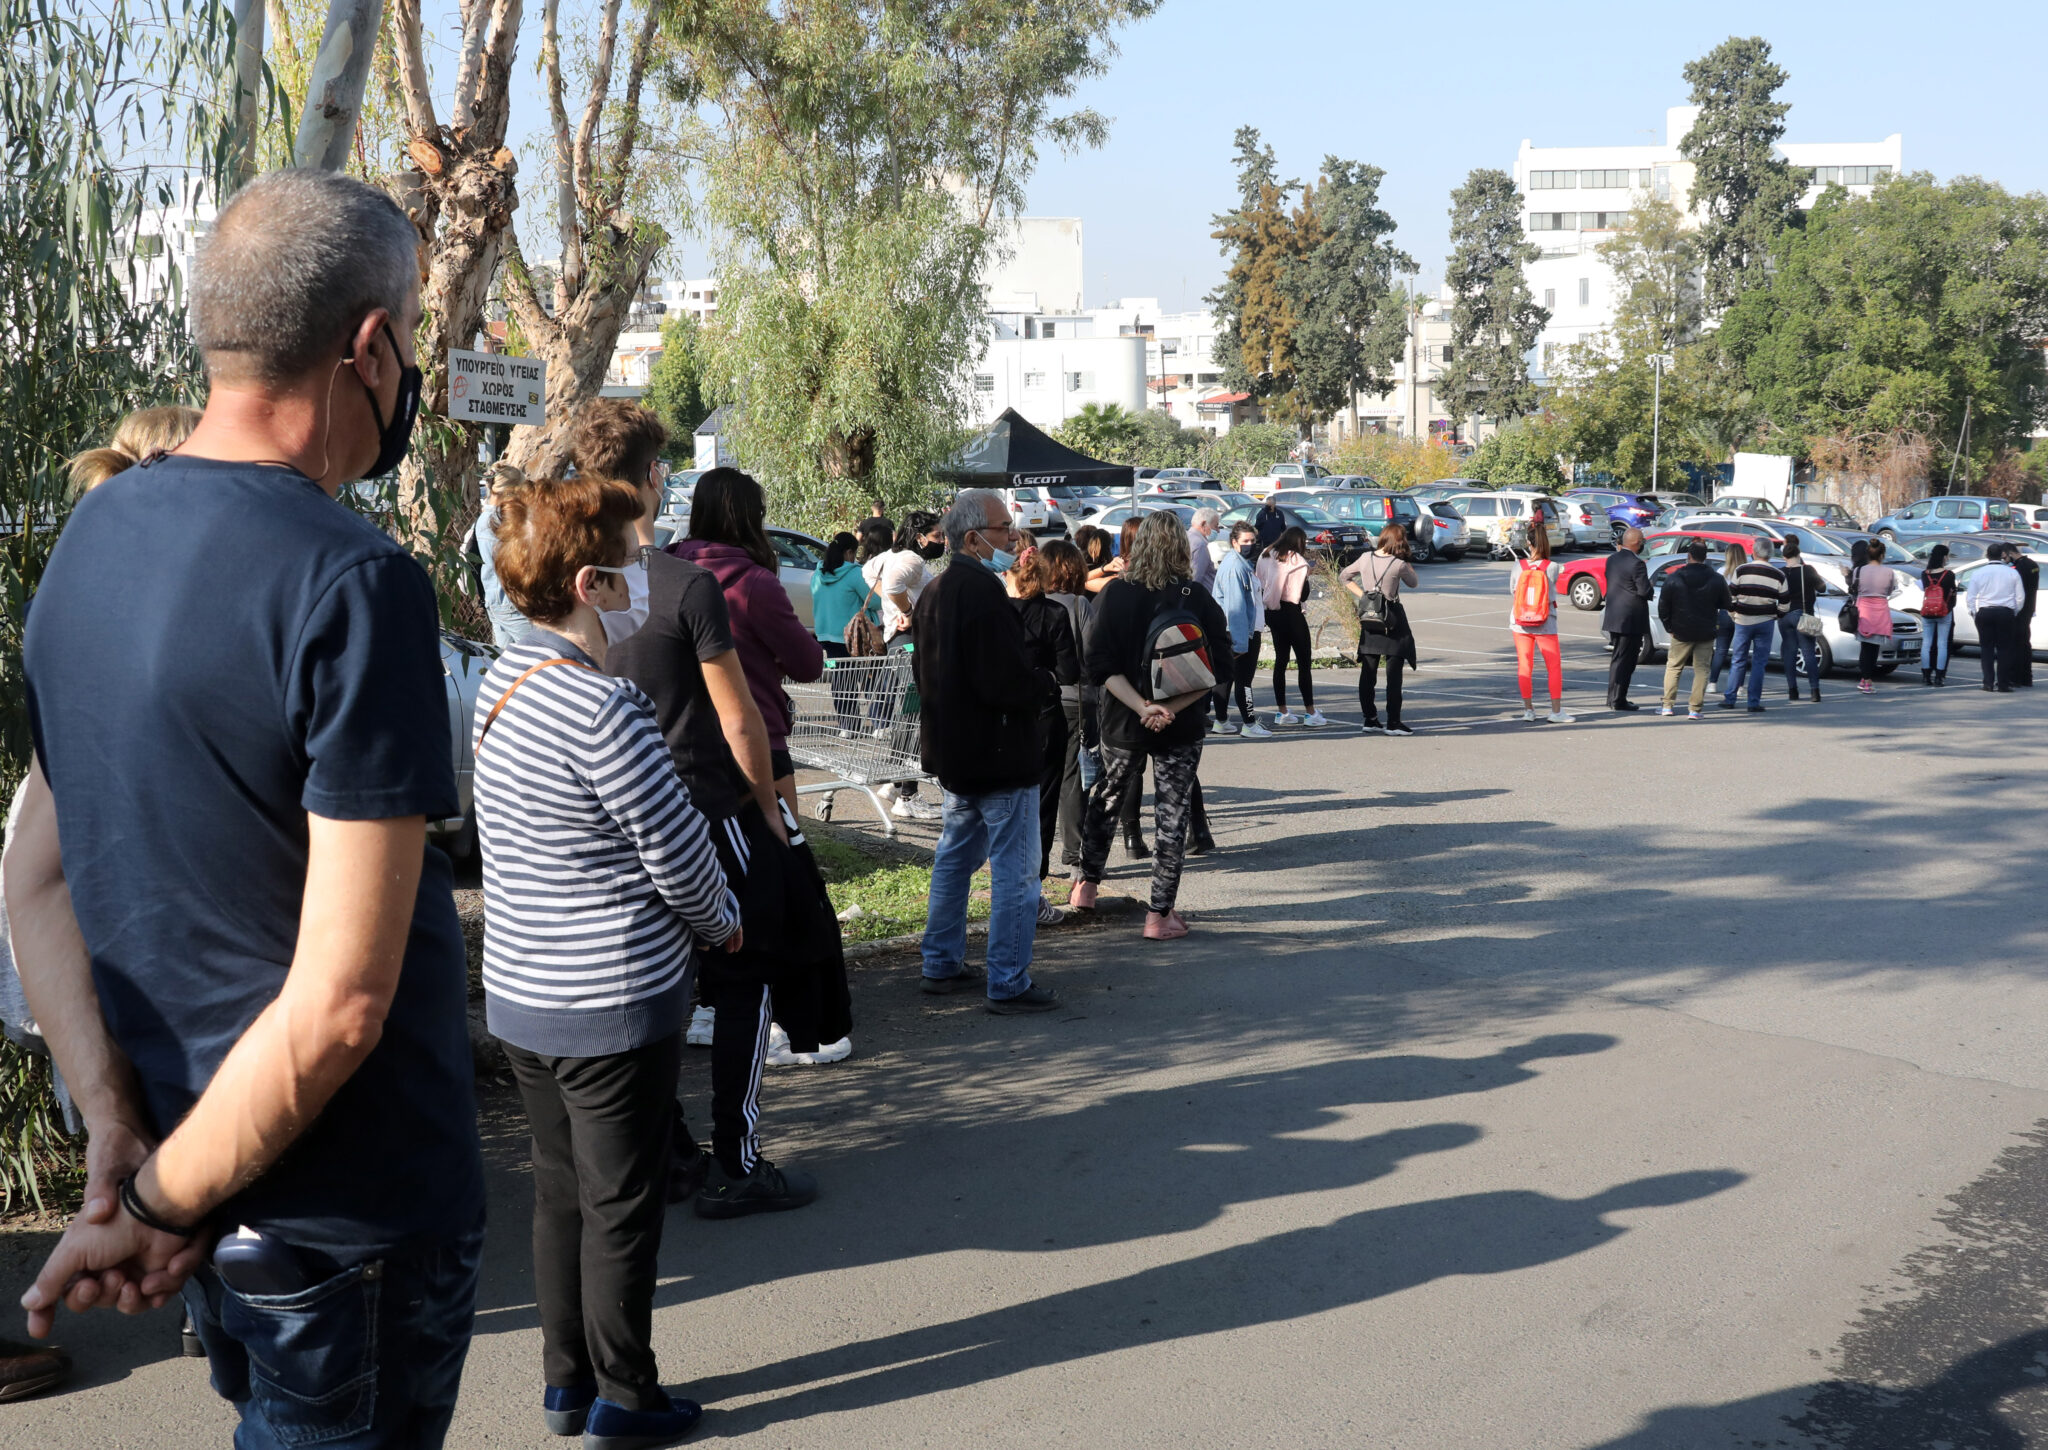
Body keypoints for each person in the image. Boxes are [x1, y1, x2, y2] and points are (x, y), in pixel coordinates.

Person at [15, 169, 484, 1441]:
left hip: (197, 1176)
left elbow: (33, 878)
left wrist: (120, 1133)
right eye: (413, 343)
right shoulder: (357, 582)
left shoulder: (90, 540)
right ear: (370, 347)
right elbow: (339, 1005)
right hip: (348, 1217)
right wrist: (153, 1202)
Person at [475, 473, 743, 1447]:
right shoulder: (604, 707)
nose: (646, 577)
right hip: (611, 995)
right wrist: (722, 922)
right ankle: (625, 1400)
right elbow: (678, 852)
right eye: (633, 562)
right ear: (589, 584)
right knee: (622, 1205)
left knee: (559, 1193)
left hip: (524, 988)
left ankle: (566, 1383)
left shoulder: (501, 686)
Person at [580, 404, 833, 1205]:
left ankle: (670, 1151)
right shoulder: (685, 585)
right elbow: (738, 718)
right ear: (654, 478)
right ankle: (738, 1161)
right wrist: (768, 810)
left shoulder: (569, 586)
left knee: (646, 989)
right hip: (705, 804)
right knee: (745, 977)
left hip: (611, 818)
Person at [913, 490, 1063, 1011]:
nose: (1014, 539)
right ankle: (1008, 980)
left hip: (956, 754)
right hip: (999, 756)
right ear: (974, 538)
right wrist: (1044, 682)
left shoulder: (935, 590)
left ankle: (941, 963)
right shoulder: (981, 592)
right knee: (1016, 874)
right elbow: (1004, 681)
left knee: (954, 861)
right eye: (1004, 530)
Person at [1071, 510, 1231, 941]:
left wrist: (1142, 706)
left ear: (1138, 546)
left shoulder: (1115, 594)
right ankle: (1159, 915)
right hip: (1180, 722)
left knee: (1108, 795)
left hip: (1124, 718)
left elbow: (1097, 662)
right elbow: (1219, 666)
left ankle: (1086, 886)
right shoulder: (1196, 597)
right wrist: (1168, 708)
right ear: (1180, 547)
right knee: (1172, 812)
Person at [673, 469, 826, 827]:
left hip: (683, 742)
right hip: (756, 741)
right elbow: (808, 665)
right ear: (751, 518)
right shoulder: (755, 582)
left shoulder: (667, 571)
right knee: (779, 853)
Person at [1004, 547, 1081, 913]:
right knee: (1044, 801)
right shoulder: (1055, 613)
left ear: (1012, 577)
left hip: (1003, 716)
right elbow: (1069, 672)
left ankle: (1007, 879)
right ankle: (1035, 882)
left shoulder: (997, 614)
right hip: (1045, 714)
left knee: (1004, 800)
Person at [865, 509, 943, 819]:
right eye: (937, 535)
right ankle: (908, 795)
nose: (942, 540)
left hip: (899, 641)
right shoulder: (912, 560)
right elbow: (893, 586)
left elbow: (868, 572)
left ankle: (896, 783)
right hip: (910, 641)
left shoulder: (890, 556)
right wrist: (907, 611)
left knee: (907, 714)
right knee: (914, 717)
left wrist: (893, 607)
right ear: (921, 537)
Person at [1040, 539, 1094, 880]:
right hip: (1076, 701)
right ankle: (1074, 855)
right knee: (1073, 779)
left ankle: (1036, 856)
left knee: (1042, 779)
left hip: (1039, 700)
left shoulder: (1032, 605)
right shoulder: (1078, 605)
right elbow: (1092, 653)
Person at [1342, 523, 1419, 735]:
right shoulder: (1398, 564)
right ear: (1400, 541)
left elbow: (1344, 576)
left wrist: (1365, 597)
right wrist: (1407, 561)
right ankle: (1393, 722)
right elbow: (1414, 583)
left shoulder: (1365, 558)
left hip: (1370, 617)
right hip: (1391, 619)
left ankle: (1370, 719)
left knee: (1368, 672)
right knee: (1394, 675)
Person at [809, 530, 879, 733]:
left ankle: (848, 726)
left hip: (826, 635)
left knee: (841, 681)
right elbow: (875, 602)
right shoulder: (854, 573)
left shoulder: (818, 574)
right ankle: (879, 723)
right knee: (869, 678)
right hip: (853, 636)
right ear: (849, 552)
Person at [1257, 526, 1324, 727]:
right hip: (1291, 612)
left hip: (1271, 611)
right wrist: (1307, 575)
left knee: (1281, 660)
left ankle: (1282, 711)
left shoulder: (1266, 553)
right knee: (1304, 662)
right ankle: (1310, 712)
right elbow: (1302, 594)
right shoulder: (1297, 561)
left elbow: (1259, 580)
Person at [1658, 538, 1731, 719]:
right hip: (1706, 628)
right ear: (1705, 557)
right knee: (1702, 669)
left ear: (1689, 555)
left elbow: (1663, 605)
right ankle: (1695, 709)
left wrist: (1668, 626)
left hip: (1680, 628)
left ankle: (1667, 705)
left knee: (1674, 667)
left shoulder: (1675, 577)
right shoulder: (1716, 578)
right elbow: (1726, 603)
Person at [1508, 519, 1571, 723]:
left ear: (1528, 542)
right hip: (1545, 622)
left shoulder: (1518, 566)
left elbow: (1513, 590)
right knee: (1553, 667)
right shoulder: (1552, 567)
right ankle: (1556, 711)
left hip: (1520, 621)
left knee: (1525, 665)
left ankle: (1528, 710)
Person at [1211, 520, 1266, 737]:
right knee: (1244, 680)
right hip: (1241, 633)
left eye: (1252, 541)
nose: (1250, 545)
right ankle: (1249, 724)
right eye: (1245, 541)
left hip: (1237, 631)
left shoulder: (1240, 563)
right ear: (1234, 542)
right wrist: (1241, 643)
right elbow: (1236, 608)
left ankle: (1221, 720)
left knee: (1226, 677)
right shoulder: (1236, 567)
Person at [1721, 536, 1788, 713]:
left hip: (1743, 620)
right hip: (1765, 621)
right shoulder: (1779, 575)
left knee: (1738, 659)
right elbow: (1785, 603)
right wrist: (1776, 615)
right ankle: (1753, 702)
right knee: (1759, 663)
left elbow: (1730, 596)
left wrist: (1734, 614)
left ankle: (1730, 698)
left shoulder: (1741, 570)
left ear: (1754, 552)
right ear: (1770, 554)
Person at [1601, 527, 1652, 711]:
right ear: (1637, 543)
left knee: (1617, 658)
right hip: (1630, 618)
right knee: (1627, 661)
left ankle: (1613, 697)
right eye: (1643, 540)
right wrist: (1650, 587)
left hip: (1614, 615)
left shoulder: (1612, 559)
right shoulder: (1637, 564)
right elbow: (1644, 591)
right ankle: (1618, 699)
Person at [1967, 543, 2024, 693]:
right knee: (2005, 649)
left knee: (1986, 649)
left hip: (1985, 611)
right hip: (2005, 612)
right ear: (2002, 555)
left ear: (1987, 555)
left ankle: (1988, 683)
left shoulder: (1978, 573)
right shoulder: (2012, 572)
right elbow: (2020, 597)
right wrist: (2014, 611)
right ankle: (2003, 684)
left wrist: (1974, 612)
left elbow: (1971, 596)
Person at [1779, 535, 1826, 701]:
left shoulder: (1780, 573)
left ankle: (1792, 690)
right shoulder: (1808, 570)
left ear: (1784, 556)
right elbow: (1822, 588)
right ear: (1798, 554)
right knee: (1808, 653)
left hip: (1784, 616)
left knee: (1789, 653)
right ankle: (1815, 691)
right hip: (1803, 615)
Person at [1849, 537, 1896, 693]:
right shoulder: (1889, 572)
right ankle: (1867, 681)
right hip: (1880, 610)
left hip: (1863, 610)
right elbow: (1890, 590)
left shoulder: (1858, 570)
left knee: (1864, 647)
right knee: (1874, 648)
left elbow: (1854, 587)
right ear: (1882, 555)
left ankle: (1864, 678)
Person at [1706, 543, 1747, 691]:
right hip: (1742, 612)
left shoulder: (1721, 572)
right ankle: (1739, 685)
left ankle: (1712, 683)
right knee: (1741, 651)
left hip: (1724, 612)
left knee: (1721, 650)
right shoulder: (1745, 572)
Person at [1917, 543, 1957, 688]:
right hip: (1943, 612)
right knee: (1942, 644)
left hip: (1928, 612)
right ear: (1944, 557)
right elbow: (1953, 593)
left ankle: (1926, 675)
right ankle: (1939, 677)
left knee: (1926, 643)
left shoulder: (1925, 574)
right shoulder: (1949, 575)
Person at [2010, 547, 2038, 686]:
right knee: (2025, 644)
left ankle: (2017, 677)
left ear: (2009, 553)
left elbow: (2018, 591)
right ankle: (2027, 677)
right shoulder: (2032, 564)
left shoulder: (2019, 567)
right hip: (2029, 608)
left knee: (2017, 644)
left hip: (2020, 610)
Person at [1187, 507, 1221, 589]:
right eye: (1216, 526)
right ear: (1204, 524)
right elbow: (1195, 578)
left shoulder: (1187, 537)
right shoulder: (1200, 545)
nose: (1218, 530)